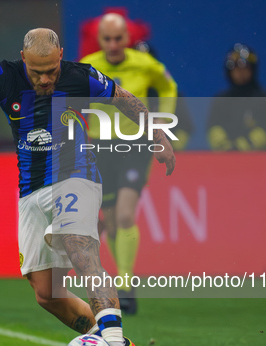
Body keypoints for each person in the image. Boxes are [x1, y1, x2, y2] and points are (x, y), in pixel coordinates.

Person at [0, 28, 175, 346]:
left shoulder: (81, 76)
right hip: (31, 188)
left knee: (80, 248)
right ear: (23, 59)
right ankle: (115, 338)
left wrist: (158, 135)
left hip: (76, 174)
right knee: (46, 293)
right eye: (37, 72)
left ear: (61, 55)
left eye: (51, 71)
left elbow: (126, 100)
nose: (45, 79)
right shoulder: (4, 77)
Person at [79, 13, 178, 315]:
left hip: (136, 144)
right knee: (109, 219)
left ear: (127, 39)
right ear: (100, 40)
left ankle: (125, 282)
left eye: (118, 38)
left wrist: (160, 126)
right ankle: (123, 281)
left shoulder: (145, 63)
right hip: (100, 146)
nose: (112, 45)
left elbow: (168, 87)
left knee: (124, 214)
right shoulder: (89, 65)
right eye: (106, 39)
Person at [208, 44, 266, 151]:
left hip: (255, 161)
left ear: (252, 70)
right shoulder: (221, 100)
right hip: (223, 161)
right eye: (234, 67)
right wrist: (225, 147)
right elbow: (213, 127)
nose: (239, 72)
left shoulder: (264, 99)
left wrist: (242, 147)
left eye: (244, 67)